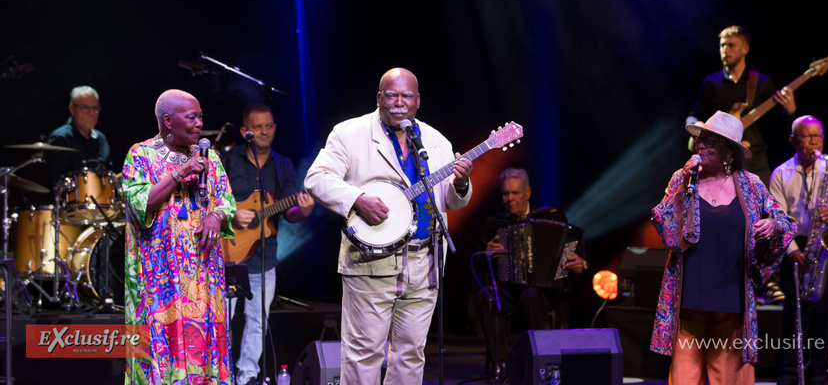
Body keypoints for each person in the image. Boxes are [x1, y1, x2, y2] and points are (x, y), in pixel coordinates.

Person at [304, 67, 473, 384]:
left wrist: (461, 183)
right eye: (391, 95)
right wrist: (357, 200)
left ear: (417, 100)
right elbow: (316, 179)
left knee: (411, 354)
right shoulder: (349, 133)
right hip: (371, 262)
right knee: (364, 353)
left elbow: (450, 200)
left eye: (406, 95)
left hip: (424, 263)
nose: (399, 102)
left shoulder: (435, 141)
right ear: (379, 98)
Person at [650, 111, 796, 384]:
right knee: (683, 379)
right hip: (689, 297)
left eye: (710, 141)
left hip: (731, 299)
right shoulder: (683, 180)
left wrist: (772, 227)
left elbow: (785, 223)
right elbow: (664, 226)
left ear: (730, 150)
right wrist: (684, 182)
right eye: (701, 140)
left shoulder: (751, 185)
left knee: (727, 379)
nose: (701, 145)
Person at [122, 89, 236, 385]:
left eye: (201, 117)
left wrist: (216, 215)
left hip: (202, 273)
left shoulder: (209, 157)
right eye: (192, 117)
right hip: (157, 275)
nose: (199, 123)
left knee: (204, 341)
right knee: (161, 342)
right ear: (169, 121)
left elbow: (226, 201)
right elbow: (140, 205)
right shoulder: (140, 154)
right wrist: (180, 173)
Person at [224, 103, 314, 385]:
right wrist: (231, 213)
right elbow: (208, 201)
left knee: (258, 321)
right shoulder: (227, 159)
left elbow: (292, 212)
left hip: (265, 257)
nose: (264, 132)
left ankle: (247, 375)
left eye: (269, 126)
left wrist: (307, 209)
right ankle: (217, 374)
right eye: (257, 127)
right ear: (244, 131)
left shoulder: (283, 164)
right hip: (226, 255)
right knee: (220, 320)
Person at [769, 115, 828, 385]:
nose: (813, 142)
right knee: (795, 314)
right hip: (798, 245)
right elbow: (777, 217)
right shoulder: (781, 173)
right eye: (807, 137)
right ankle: (788, 373)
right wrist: (792, 250)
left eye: (818, 136)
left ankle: (818, 372)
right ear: (793, 141)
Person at [475, 167, 586, 375]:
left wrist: (580, 262)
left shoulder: (551, 216)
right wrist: (487, 255)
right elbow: (478, 261)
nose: (509, 198)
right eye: (505, 193)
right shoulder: (495, 224)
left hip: (545, 291)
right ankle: (502, 365)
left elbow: (571, 244)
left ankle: (536, 360)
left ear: (528, 192)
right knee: (485, 295)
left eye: (515, 193)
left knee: (530, 294)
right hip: (508, 290)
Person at [687, 26, 797, 184]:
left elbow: (774, 126)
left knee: (761, 208)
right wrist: (698, 125)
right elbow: (693, 115)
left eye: (731, 45)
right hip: (719, 163)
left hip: (755, 161)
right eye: (722, 45)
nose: (725, 50)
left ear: (745, 49)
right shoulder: (710, 83)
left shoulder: (762, 82)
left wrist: (790, 112)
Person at [45, 85, 111, 185]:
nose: (92, 113)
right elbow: (55, 182)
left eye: (96, 108)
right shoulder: (60, 138)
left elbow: (109, 175)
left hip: (103, 199)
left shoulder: (101, 139)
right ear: (72, 109)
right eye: (86, 108)